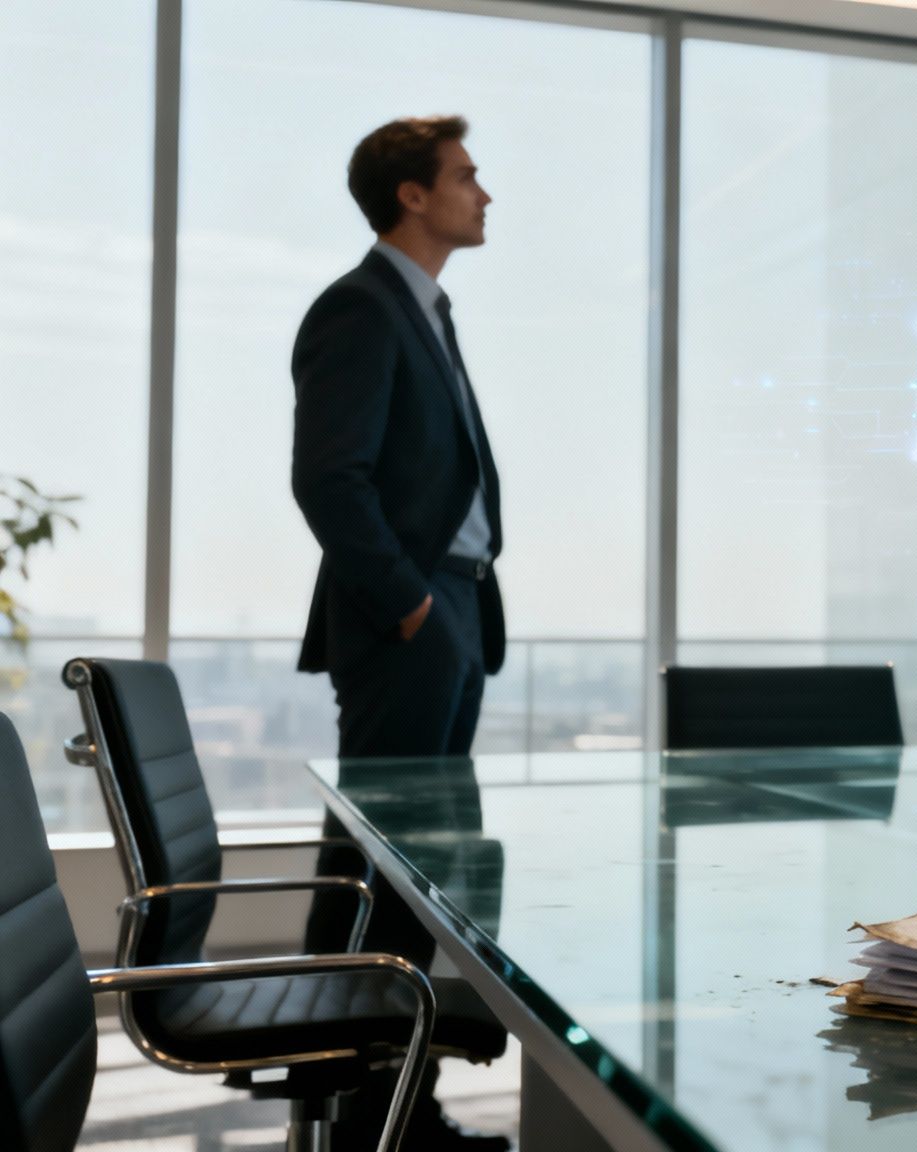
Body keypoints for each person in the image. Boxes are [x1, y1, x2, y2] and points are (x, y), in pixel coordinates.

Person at [291, 114, 509, 1152]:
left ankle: (376, 1103)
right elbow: (329, 477)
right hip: (410, 617)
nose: (484, 193)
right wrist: (411, 606)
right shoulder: (363, 307)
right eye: (466, 176)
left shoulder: (425, 310)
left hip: (453, 606)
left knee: (404, 868)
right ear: (411, 195)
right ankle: (363, 1110)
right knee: (383, 866)